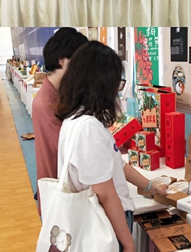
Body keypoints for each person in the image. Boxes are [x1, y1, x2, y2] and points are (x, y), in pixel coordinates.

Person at [55, 41, 168, 252]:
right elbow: (106, 195)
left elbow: (117, 164)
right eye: (117, 83)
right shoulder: (88, 128)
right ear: (102, 84)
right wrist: (128, 243)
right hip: (104, 223)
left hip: (101, 219)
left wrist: (151, 187)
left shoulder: (77, 119)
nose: (118, 90)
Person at [32, 28, 88, 187]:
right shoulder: (45, 103)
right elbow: (68, 148)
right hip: (59, 185)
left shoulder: (62, 92)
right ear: (62, 60)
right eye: (79, 61)